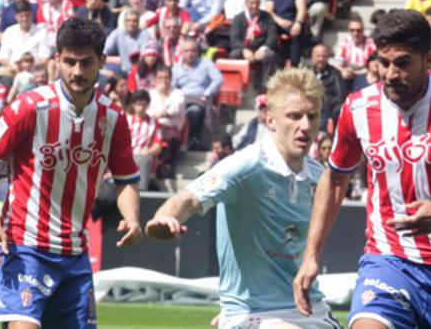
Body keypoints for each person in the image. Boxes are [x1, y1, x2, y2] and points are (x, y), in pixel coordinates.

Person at [293, 9, 431, 328]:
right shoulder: (357, 108)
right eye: (383, 62)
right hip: (387, 261)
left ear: (429, 59)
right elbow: (336, 179)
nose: (391, 73)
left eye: (403, 62)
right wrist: (311, 255)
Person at [145, 68, 342, 328]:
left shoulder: (319, 176)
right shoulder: (246, 166)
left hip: (310, 308)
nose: (305, 126)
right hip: (254, 312)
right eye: (294, 116)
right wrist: (165, 217)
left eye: (312, 116)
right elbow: (189, 198)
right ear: (270, 120)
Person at [0, 18, 143, 328]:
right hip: (25, 245)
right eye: (69, 61)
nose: (77, 71)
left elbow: (126, 181)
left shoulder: (113, 118)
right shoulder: (30, 107)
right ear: (57, 60)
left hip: (74, 254)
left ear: (101, 63)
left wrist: (132, 218)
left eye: (86, 62)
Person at [172, 38, 223, 151]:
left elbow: (218, 79)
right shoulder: (176, 68)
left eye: (193, 50)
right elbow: (173, 86)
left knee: (194, 111)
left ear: (197, 52)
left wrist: (207, 92)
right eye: (187, 51)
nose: (190, 54)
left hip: (200, 98)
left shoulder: (206, 63)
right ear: (182, 52)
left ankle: (194, 140)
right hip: (182, 99)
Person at [229, 0, 279, 92]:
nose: (254, 6)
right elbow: (234, 38)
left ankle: (265, 88)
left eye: (257, 3)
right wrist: (244, 50)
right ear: (246, 3)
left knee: (270, 55)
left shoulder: (267, 17)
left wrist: (263, 48)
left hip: (261, 48)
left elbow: (272, 35)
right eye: (251, 3)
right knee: (233, 55)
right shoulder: (239, 18)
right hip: (244, 48)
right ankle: (237, 88)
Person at [265, 0, 307, 66]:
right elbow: (268, 11)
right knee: (270, 28)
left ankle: (294, 63)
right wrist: (280, 21)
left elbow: (301, 9)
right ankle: (276, 61)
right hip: (277, 22)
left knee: (298, 31)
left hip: (291, 22)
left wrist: (298, 23)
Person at [128, 90, 164, 191]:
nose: (141, 108)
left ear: (148, 105)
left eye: (144, 104)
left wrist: (147, 152)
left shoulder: (154, 122)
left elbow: (158, 146)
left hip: (145, 156)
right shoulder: (127, 121)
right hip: (128, 157)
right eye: (138, 104)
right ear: (133, 105)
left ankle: (142, 190)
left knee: (145, 158)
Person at [103, 10, 151, 77]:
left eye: (135, 21)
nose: (131, 23)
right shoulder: (117, 33)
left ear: (138, 22)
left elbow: (144, 56)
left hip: (140, 71)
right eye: (128, 20)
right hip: (122, 71)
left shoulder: (145, 35)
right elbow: (105, 51)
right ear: (124, 22)